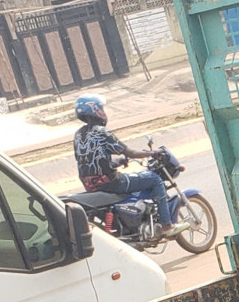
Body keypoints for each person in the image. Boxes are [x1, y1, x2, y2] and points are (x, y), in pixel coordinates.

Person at [72, 94, 185, 238]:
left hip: (90, 184)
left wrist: (117, 162)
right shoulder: (101, 132)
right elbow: (130, 152)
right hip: (112, 182)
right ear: (95, 110)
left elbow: (88, 161)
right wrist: (152, 152)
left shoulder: (78, 135)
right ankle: (167, 226)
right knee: (155, 179)